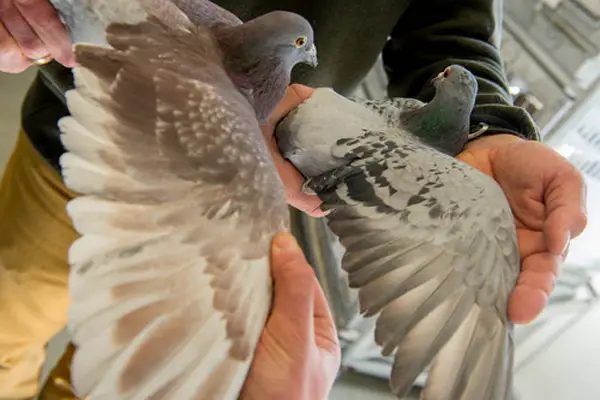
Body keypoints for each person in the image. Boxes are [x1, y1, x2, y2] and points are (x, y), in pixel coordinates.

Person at [0, 0, 588, 398]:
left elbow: (450, 33)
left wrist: (484, 128)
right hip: (92, 124)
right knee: (11, 330)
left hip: (261, 146)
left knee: (134, 352)